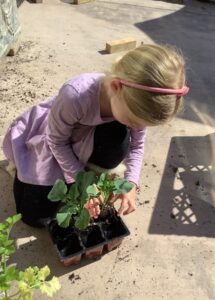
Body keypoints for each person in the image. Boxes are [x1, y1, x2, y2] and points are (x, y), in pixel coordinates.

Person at [2, 44, 189, 228]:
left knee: (121, 140)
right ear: (116, 87)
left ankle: (82, 167)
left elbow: (137, 145)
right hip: (53, 139)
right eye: (133, 121)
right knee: (34, 219)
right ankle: (36, 169)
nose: (138, 128)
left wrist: (131, 183)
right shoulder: (75, 95)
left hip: (91, 135)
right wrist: (82, 183)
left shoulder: (132, 101)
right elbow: (56, 141)